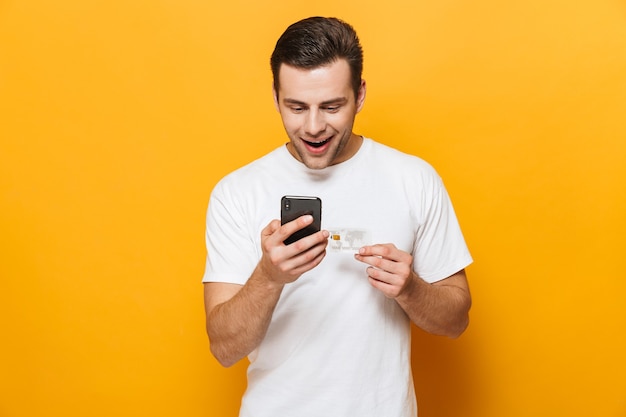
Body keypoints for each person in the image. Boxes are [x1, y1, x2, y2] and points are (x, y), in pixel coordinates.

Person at [202, 16, 472, 417]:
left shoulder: (414, 179)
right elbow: (223, 348)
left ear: (359, 94)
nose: (313, 127)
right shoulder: (236, 192)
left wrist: (411, 289)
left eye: (331, 106)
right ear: (276, 96)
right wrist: (269, 277)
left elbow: (456, 320)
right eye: (296, 107)